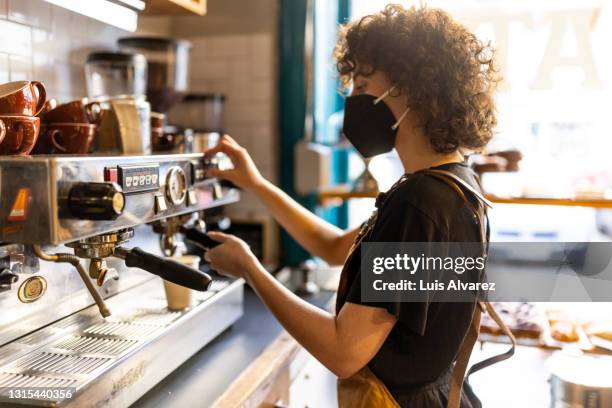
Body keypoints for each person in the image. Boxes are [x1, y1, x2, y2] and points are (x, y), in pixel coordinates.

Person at [203, 4, 499, 407]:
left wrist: (250, 269)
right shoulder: (454, 184)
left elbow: (344, 351)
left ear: (410, 87)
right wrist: (256, 183)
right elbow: (333, 247)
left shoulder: (420, 204)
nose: (353, 99)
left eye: (362, 84)